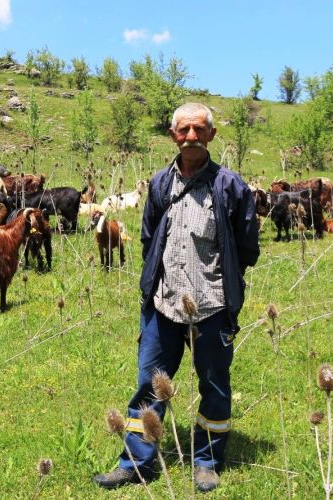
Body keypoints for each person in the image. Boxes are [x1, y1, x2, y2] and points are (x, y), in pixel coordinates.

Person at [94, 102, 260, 493]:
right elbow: (150, 238)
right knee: (149, 386)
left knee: (215, 385)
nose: (191, 136)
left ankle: (206, 462)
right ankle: (137, 462)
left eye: (199, 130)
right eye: (183, 130)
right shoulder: (158, 185)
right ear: (173, 135)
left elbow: (248, 248)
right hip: (162, 305)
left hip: (213, 306)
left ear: (211, 135)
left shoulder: (230, 187)